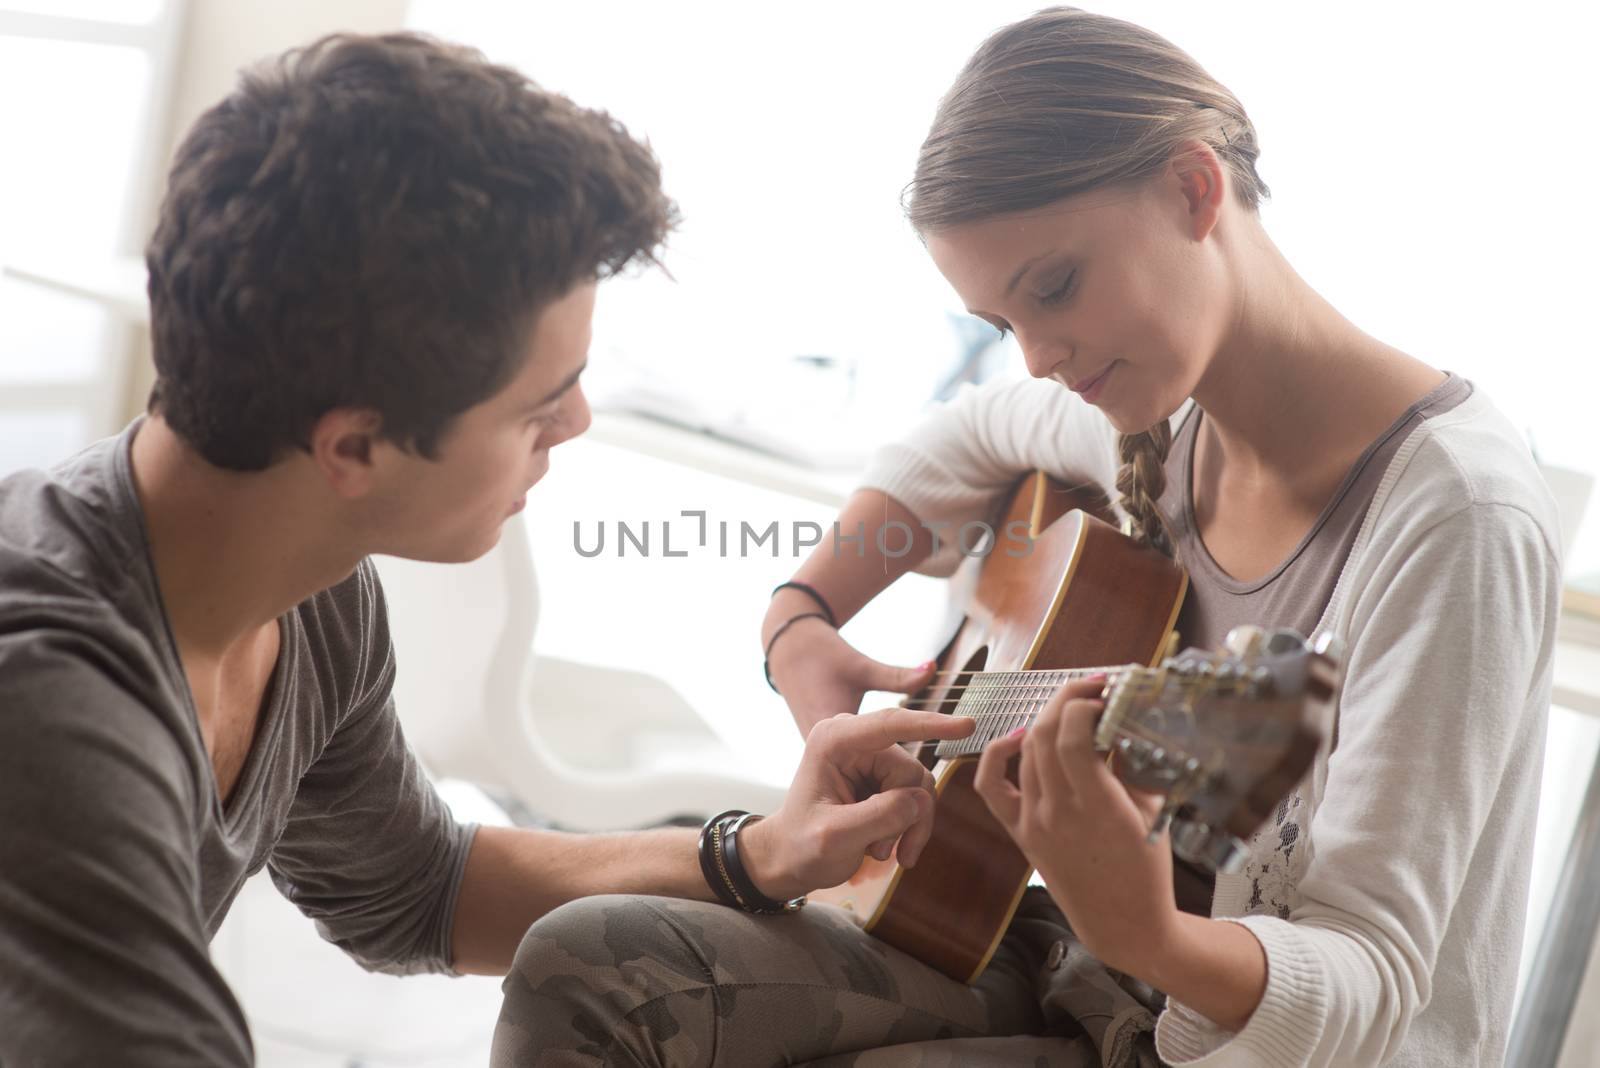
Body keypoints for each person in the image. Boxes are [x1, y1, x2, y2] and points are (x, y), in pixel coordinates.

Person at [517, 7, 1563, 1068]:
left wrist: (1147, 931)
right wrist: (805, 614)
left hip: (1228, 1038)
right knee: (587, 964)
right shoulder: (1154, 415)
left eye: (1054, 288)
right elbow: (964, 437)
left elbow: (1374, 974)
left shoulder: (1456, 518)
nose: (1034, 360)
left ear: (1194, 190)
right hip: (1075, 964)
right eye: (1001, 324)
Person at [0, 33, 975, 1066]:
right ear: (355, 446)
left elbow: (417, 889)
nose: (579, 424)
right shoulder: (50, 702)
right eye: (540, 406)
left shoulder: (310, 599)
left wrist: (761, 851)